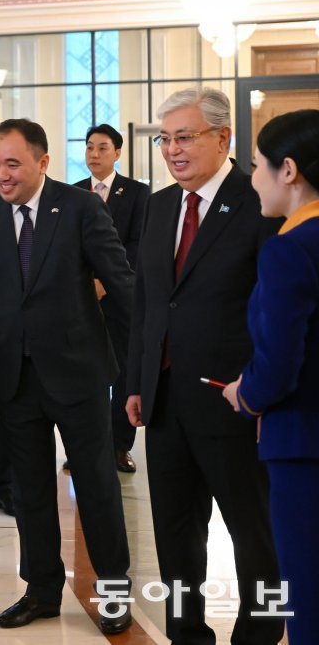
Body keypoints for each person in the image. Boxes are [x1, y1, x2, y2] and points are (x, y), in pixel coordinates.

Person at [0, 118, 134, 635]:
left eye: (13, 163)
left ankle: (114, 589)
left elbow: (120, 281)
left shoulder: (80, 207)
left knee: (97, 485)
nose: (1, 175)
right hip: (15, 375)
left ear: (43, 162)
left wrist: (150, 349)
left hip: (77, 373)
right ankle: (41, 590)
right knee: (29, 490)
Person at [126, 87, 283, 645]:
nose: (172, 150)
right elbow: (148, 301)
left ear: (223, 138)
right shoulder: (161, 204)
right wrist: (138, 381)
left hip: (232, 399)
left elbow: (274, 307)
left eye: (184, 137)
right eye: (165, 139)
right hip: (165, 400)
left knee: (254, 533)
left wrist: (259, 390)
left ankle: (260, 635)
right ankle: (187, 633)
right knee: (174, 534)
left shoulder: (258, 201)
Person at [222, 109, 319, 645]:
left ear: (289, 170)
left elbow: (280, 361)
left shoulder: (290, 248)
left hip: (303, 443)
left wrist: (248, 394)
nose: (252, 176)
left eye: (256, 164)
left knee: (306, 593)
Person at [70, 123, 149, 474]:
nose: (94, 154)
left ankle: (119, 446)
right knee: (85, 376)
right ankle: (84, 449)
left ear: (117, 152)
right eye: (89, 147)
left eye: (102, 148)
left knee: (121, 372)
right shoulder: (70, 194)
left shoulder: (136, 193)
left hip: (119, 299)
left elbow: (137, 244)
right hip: (79, 299)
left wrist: (106, 280)